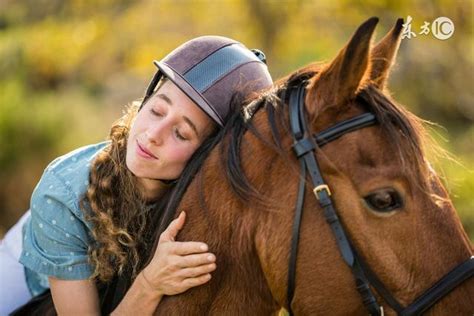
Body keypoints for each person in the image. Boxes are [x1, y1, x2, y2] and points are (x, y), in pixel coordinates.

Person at [0, 35, 272, 315]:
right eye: (156, 110)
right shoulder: (60, 195)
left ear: (207, 158)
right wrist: (150, 284)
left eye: (180, 133)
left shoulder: (208, 198)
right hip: (31, 274)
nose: (152, 135)